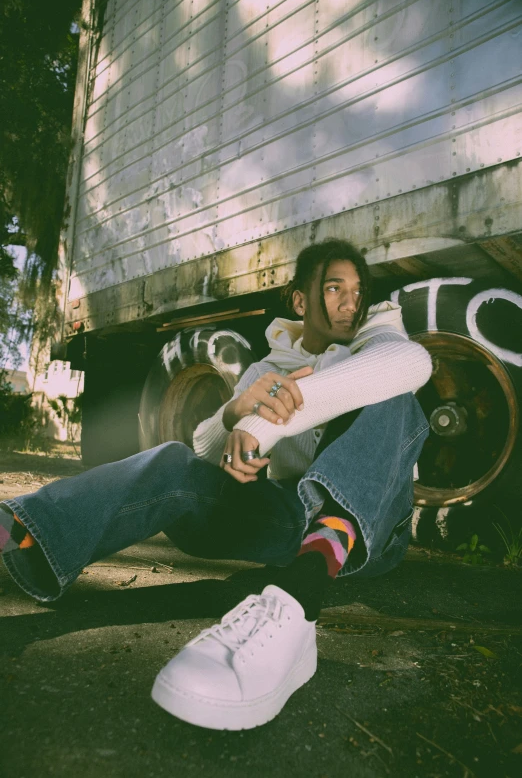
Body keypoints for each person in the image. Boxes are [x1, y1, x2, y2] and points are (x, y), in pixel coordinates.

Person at [0, 239, 432, 731]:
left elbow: (412, 365)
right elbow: (207, 450)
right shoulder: (263, 370)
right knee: (173, 460)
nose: (350, 303)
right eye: (334, 289)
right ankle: (20, 529)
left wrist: (268, 423)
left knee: (396, 399)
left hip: (373, 531)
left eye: (358, 291)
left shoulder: (376, 336)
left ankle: (298, 600)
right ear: (300, 300)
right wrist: (233, 415)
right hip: (291, 521)